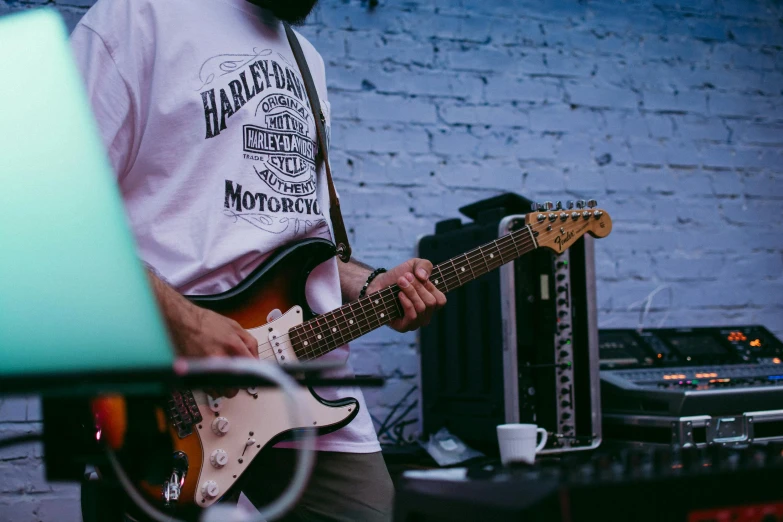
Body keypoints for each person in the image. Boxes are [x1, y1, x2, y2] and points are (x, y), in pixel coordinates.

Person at [70, 0, 446, 520]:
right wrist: (185, 322)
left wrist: (370, 284)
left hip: (305, 381)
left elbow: (292, 240)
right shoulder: (138, 17)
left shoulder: (306, 61)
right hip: (169, 386)